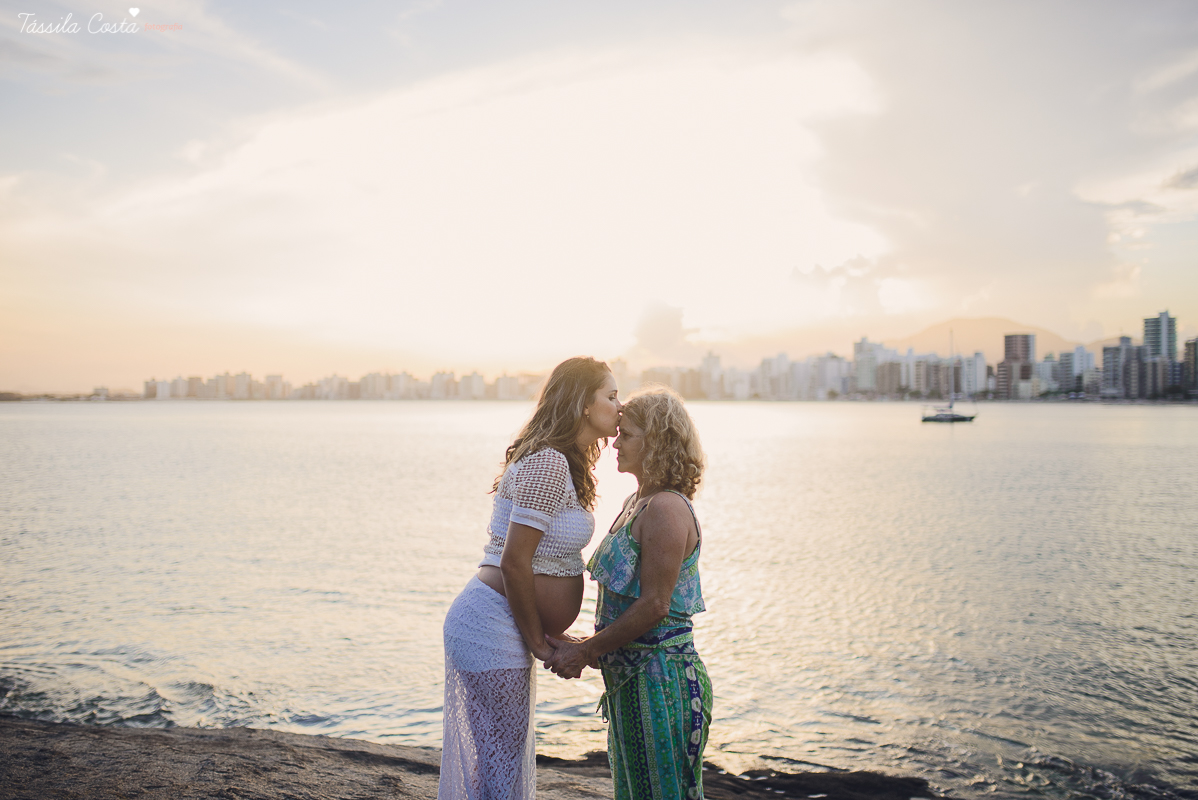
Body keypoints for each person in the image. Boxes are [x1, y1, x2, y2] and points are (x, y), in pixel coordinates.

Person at [438, 356, 621, 800]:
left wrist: (548, 633)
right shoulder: (549, 464)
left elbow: (536, 561)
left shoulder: (564, 463)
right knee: (502, 761)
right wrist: (540, 644)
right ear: (583, 403)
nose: (621, 406)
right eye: (612, 396)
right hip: (491, 626)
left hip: (503, 625)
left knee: (499, 759)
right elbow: (515, 562)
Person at [545, 386, 711, 800]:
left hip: (662, 682)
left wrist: (586, 651)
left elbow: (655, 605)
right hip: (631, 681)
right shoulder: (637, 501)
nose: (616, 444)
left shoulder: (666, 508)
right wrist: (585, 643)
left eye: (628, 435)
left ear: (657, 442)